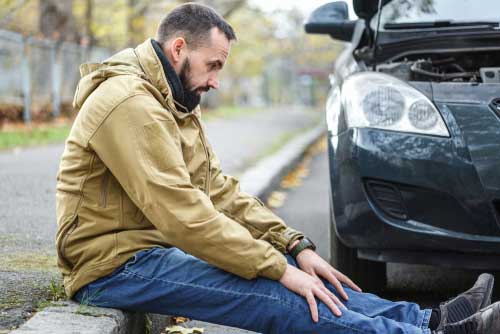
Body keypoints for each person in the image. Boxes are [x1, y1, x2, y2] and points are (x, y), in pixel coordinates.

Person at [55, 3, 500, 333]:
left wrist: (293, 245)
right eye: (212, 66)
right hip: (112, 268)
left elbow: (218, 191)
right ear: (177, 49)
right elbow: (184, 214)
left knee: (297, 271)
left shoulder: (170, 99)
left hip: (148, 250)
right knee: (278, 294)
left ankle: (429, 319)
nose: (215, 80)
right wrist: (275, 266)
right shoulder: (131, 103)